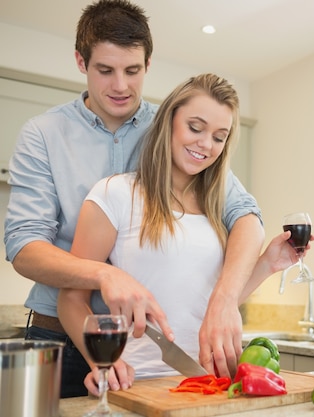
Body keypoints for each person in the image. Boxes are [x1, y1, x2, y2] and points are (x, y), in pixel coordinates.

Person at [3, 0, 264, 398]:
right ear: (80, 61)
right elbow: (24, 247)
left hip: (138, 347)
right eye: (105, 70)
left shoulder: (173, 128)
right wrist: (105, 274)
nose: (121, 86)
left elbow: (245, 214)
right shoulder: (43, 133)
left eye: (133, 70)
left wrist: (226, 299)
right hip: (58, 330)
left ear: (148, 64)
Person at [57, 73, 305, 395]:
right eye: (195, 128)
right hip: (139, 385)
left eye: (219, 137)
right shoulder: (115, 194)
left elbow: (209, 303)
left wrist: (267, 265)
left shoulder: (217, 209)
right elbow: (71, 299)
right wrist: (100, 361)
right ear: (169, 122)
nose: (206, 144)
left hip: (212, 384)